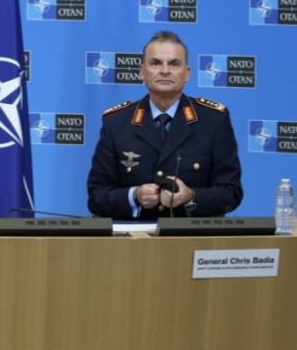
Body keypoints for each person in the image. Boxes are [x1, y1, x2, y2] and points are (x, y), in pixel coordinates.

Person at [87, 31, 242, 220]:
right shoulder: (116, 122)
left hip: (191, 238)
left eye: (174, 63)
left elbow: (231, 193)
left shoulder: (214, 120)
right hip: (134, 242)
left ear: (187, 74)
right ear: (142, 72)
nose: (165, 70)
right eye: (156, 63)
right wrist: (134, 196)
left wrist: (191, 196)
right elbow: (96, 197)